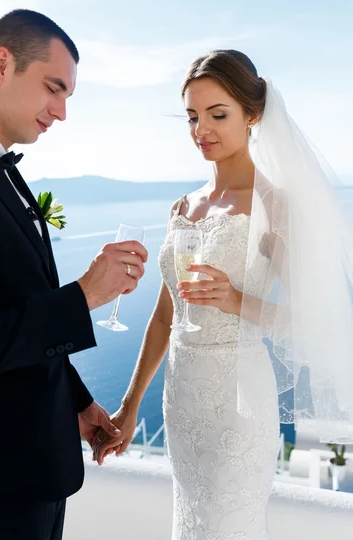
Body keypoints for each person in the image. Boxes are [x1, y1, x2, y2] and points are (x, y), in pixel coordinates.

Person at [94, 49, 353, 539]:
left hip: (239, 407)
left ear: (252, 115)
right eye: (193, 116)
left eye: (218, 114)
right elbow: (165, 317)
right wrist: (129, 408)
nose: (201, 130)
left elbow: (311, 321)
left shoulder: (275, 205)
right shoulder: (182, 206)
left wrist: (237, 301)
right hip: (181, 403)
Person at [0, 9, 147, 540]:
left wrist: (76, 402)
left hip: (30, 479)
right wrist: (83, 296)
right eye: (53, 88)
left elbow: (12, 305)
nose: (61, 112)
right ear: (2, 63)